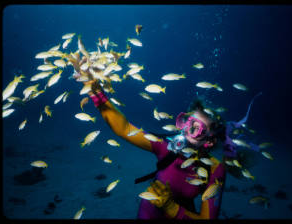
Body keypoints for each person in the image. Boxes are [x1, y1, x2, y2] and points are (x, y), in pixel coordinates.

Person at [69, 56, 258, 219]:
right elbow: (124, 128)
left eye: (195, 128)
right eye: (186, 121)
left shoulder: (214, 170)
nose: (185, 130)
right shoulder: (166, 147)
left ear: (208, 141)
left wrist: (171, 208)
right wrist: (94, 90)